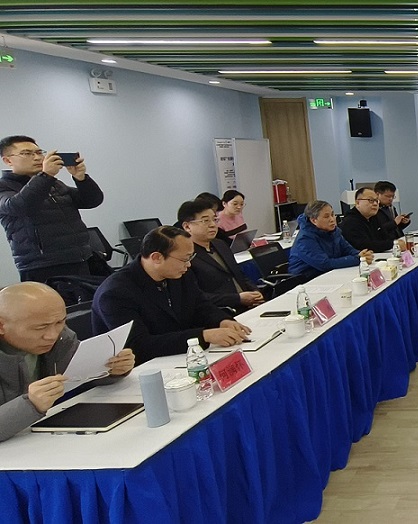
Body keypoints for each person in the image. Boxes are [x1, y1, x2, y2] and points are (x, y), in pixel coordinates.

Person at [92, 226, 251, 364]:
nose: (189, 264)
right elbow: (139, 345)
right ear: (157, 257)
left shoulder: (179, 274)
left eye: (191, 257)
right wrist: (203, 336)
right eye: (185, 259)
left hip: (180, 357)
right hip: (143, 368)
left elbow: (200, 305)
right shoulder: (116, 293)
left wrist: (222, 321)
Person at [1, 283, 134, 442]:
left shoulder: (62, 338)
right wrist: (30, 404)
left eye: (60, 322)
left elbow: (78, 375)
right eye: (40, 328)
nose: (52, 335)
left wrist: (111, 369)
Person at [0, 135, 104, 282]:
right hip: (42, 265)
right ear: (8, 160)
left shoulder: (54, 184)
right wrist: (46, 176)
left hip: (80, 258)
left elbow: (91, 201)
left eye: (39, 152)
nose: (37, 158)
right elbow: (20, 206)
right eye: (27, 153)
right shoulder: (5, 186)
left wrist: (81, 179)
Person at [178, 199, 264, 311]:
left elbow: (239, 274)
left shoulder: (220, 244)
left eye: (215, 220)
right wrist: (237, 299)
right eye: (205, 221)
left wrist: (255, 292)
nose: (213, 225)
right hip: (222, 312)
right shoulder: (185, 257)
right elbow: (196, 296)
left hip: (250, 305)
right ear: (187, 227)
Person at [289, 200, 374, 280]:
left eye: (333, 214)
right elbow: (325, 264)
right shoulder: (305, 239)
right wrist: (357, 259)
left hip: (329, 274)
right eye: (326, 216)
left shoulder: (334, 231)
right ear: (314, 220)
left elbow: (347, 249)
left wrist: (361, 255)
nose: (332, 219)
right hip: (306, 279)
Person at [340, 188, 395, 252]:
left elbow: (384, 237)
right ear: (357, 203)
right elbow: (364, 245)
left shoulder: (373, 218)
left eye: (377, 201)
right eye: (371, 200)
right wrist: (393, 244)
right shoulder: (350, 221)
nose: (375, 204)